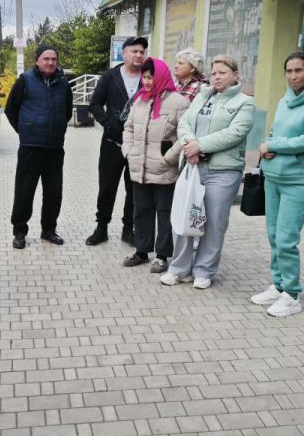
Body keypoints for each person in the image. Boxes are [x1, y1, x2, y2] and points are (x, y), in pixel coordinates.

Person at [160, 55, 255, 289]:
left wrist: (200, 145)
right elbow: (184, 124)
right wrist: (190, 144)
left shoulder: (245, 102)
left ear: (235, 75)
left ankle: (204, 270)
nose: (217, 77)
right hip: (193, 167)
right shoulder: (202, 96)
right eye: (214, 73)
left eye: (223, 72)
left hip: (223, 171)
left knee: (214, 222)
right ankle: (180, 269)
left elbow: (236, 133)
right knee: (184, 217)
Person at [250, 51, 304, 317]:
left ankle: (292, 294)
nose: (293, 76)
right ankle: (279, 285)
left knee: (286, 239)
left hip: (299, 180)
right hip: (274, 177)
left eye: (299, 71)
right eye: (289, 71)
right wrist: (267, 146)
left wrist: (273, 145)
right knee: (273, 236)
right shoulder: (286, 99)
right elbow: (274, 132)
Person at [121, 57, 190, 272]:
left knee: (164, 211)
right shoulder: (140, 100)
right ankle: (142, 251)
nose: (147, 81)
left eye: (151, 76)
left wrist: (169, 157)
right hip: (139, 166)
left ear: (161, 76)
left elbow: (185, 135)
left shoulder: (179, 102)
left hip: (164, 167)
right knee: (141, 210)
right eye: (145, 76)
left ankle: (162, 255)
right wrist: (129, 151)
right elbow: (129, 128)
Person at [4, 44, 73, 249]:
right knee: (24, 191)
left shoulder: (63, 84)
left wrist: (57, 128)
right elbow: (10, 110)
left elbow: (67, 111)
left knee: (53, 192)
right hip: (30, 148)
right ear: (37, 60)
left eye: (53, 59)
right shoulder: (25, 80)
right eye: (46, 59)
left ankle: (49, 230)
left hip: (54, 149)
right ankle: (19, 232)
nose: (50, 62)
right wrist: (25, 130)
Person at [85, 36, 148, 246]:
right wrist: (108, 123)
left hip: (138, 145)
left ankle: (128, 229)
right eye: (134, 51)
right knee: (107, 187)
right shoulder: (110, 76)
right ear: (124, 53)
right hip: (112, 142)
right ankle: (101, 227)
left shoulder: (148, 77)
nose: (138, 55)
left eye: (142, 51)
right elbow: (94, 104)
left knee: (134, 189)